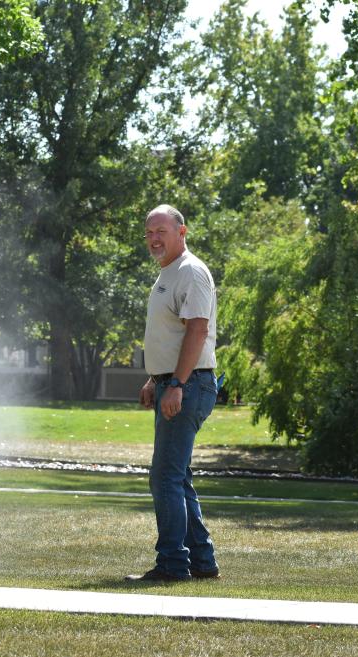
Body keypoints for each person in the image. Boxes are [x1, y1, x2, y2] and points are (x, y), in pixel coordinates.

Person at [125, 204, 221, 582]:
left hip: (190, 383)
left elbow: (197, 331)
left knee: (164, 476)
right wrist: (156, 379)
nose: (154, 238)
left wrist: (177, 384)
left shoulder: (191, 271)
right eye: (149, 232)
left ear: (182, 232)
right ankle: (201, 561)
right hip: (175, 381)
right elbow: (172, 335)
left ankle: (172, 565)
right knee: (176, 476)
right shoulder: (169, 273)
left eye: (161, 231)